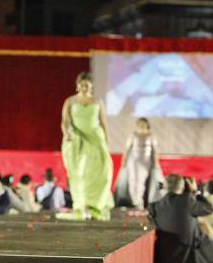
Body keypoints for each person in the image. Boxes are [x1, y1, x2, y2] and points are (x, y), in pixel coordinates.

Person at [59, 72, 114, 220]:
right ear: (78, 86)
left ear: (91, 86)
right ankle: (81, 205)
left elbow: (102, 122)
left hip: (95, 138)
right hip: (78, 139)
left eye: (87, 85)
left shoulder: (97, 102)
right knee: (80, 173)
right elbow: (65, 121)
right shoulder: (70, 101)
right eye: (82, 85)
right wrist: (67, 133)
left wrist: (106, 141)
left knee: (99, 171)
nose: (84, 88)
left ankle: (95, 205)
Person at [114, 118, 164, 209]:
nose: (141, 126)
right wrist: (124, 160)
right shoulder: (133, 135)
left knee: (142, 181)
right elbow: (127, 149)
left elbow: (155, 151)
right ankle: (134, 201)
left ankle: (140, 201)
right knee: (133, 180)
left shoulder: (151, 136)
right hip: (133, 161)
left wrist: (156, 163)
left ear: (147, 125)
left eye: (143, 124)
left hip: (145, 161)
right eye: (139, 124)